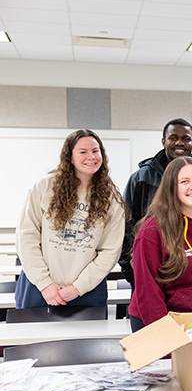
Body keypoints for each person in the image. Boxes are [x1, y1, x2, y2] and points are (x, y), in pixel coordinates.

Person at [16, 129, 125, 309]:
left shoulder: (111, 197)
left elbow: (110, 251)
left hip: (87, 290)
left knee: (88, 338)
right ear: (70, 157)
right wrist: (45, 283)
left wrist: (77, 288)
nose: (91, 156)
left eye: (96, 151)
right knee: (34, 338)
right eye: (83, 152)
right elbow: (26, 237)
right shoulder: (45, 186)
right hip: (39, 287)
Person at [120, 118, 192, 287]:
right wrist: (135, 275)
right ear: (163, 141)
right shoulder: (140, 179)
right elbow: (125, 228)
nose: (179, 143)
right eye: (173, 138)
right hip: (148, 278)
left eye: (186, 139)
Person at [128, 157, 192, 331]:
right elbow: (148, 294)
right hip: (157, 318)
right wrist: (167, 337)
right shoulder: (152, 231)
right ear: (171, 187)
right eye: (184, 181)